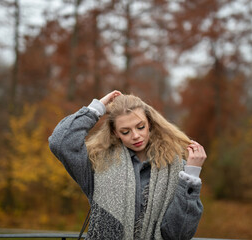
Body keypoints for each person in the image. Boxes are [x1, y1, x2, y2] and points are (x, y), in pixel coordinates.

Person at [48, 90, 206, 240]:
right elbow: (61, 141)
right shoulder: (98, 164)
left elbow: (179, 234)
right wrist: (96, 109)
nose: (136, 136)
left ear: (149, 123)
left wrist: (191, 174)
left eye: (140, 127)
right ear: (115, 132)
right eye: (125, 131)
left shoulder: (176, 168)